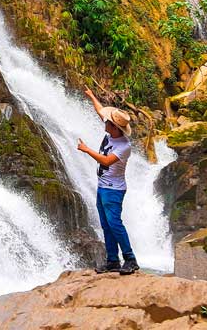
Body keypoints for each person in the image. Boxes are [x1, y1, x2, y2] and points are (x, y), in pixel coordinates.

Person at [77, 87, 139, 275]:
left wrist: (86, 149)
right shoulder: (111, 133)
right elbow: (100, 111)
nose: (105, 122)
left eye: (108, 122)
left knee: (115, 224)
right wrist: (91, 95)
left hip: (114, 190)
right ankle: (113, 260)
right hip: (102, 187)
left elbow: (106, 161)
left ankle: (130, 259)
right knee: (106, 224)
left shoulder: (124, 146)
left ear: (115, 127)